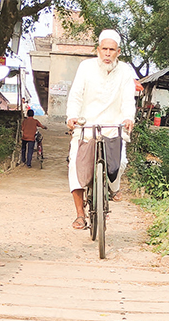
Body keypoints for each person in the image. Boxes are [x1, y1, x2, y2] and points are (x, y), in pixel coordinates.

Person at [66, 29, 136, 230]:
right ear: (98, 50)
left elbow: (127, 98)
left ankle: (113, 188)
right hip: (86, 127)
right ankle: (80, 215)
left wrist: (128, 118)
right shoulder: (85, 67)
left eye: (111, 50)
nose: (107, 53)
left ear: (118, 52)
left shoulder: (125, 71)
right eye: (104, 49)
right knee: (74, 167)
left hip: (113, 127)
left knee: (120, 163)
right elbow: (76, 94)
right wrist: (71, 116)